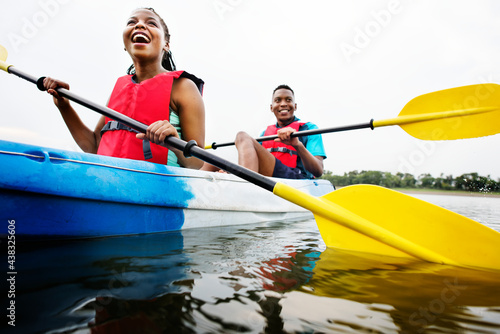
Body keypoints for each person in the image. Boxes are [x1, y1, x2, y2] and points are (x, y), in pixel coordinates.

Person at [43, 7, 205, 169]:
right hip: (108, 183)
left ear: (166, 45)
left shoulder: (183, 87)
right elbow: (93, 147)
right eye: (132, 22)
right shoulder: (120, 88)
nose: (139, 25)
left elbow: (197, 163)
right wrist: (64, 106)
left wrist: (175, 144)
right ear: (125, 44)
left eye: (151, 23)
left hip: (158, 187)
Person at [234, 85, 326, 179]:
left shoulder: (309, 129)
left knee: (242, 136)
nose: (283, 104)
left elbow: (318, 170)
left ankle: (245, 188)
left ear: (295, 106)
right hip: (270, 180)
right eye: (278, 100)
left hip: (297, 180)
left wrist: (297, 145)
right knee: (220, 166)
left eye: (288, 100)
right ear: (271, 107)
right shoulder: (264, 134)